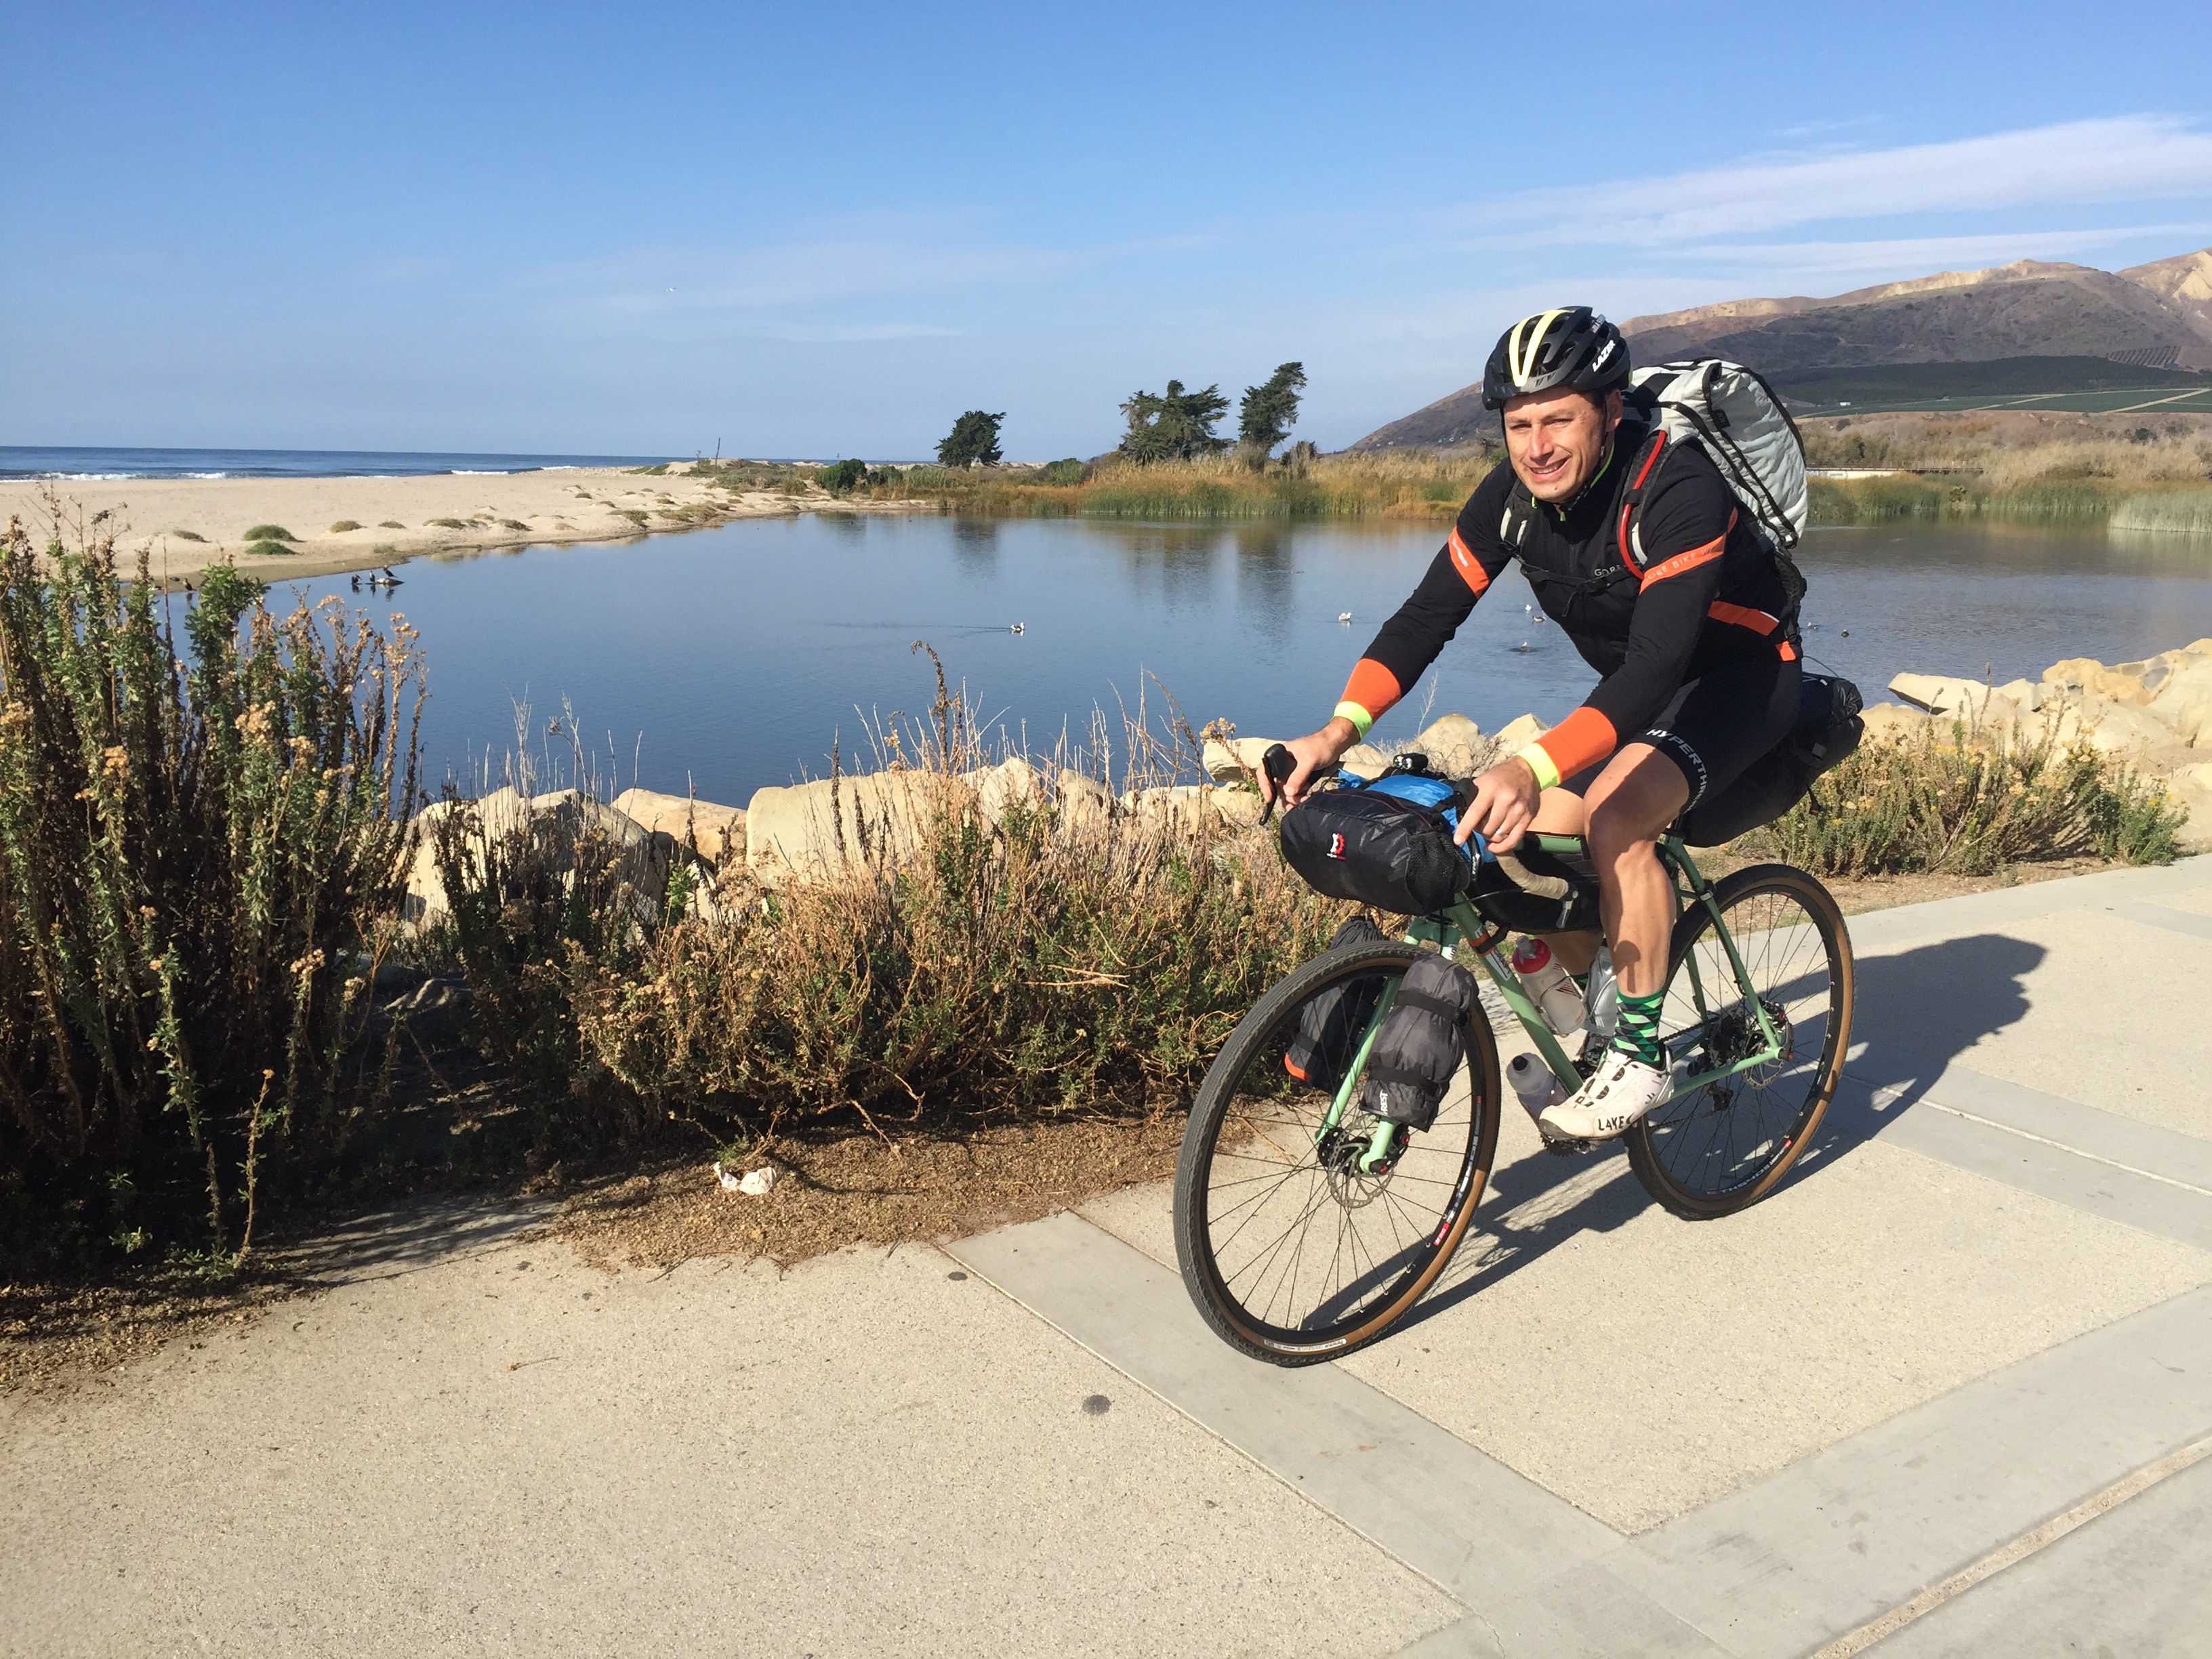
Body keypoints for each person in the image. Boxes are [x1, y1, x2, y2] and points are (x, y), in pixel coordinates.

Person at [1265, 307, 1803, 1141]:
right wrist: (1335, 732)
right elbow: (1423, 618)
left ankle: (1638, 1058)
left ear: (1610, 410)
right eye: (1520, 424)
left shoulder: (1678, 490)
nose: (1538, 444)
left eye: (1559, 418)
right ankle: (1591, 1000)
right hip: (1638, 693)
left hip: (1741, 680)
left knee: (1619, 818)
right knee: (1508, 834)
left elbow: (1656, 669)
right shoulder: (1511, 503)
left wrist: (1529, 765)